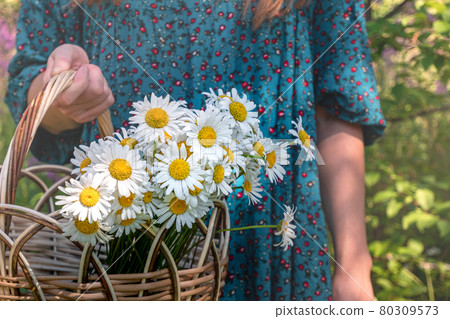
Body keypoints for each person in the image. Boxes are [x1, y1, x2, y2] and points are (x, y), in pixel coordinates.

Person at [5, 0, 386, 300]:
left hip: (271, 233)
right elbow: (31, 91)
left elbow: (338, 102)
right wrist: (64, 90)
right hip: (127, 233)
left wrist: (353, 263)